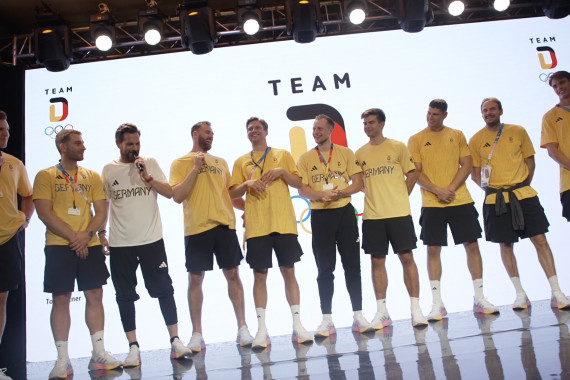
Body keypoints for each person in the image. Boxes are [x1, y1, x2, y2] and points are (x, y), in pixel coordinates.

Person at [99, 123, 192, 367]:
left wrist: (147, 177)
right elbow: (104, 205)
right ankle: (133, 348)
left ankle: (175, 340)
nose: (134, 148)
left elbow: (170, 193)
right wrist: (101, 233)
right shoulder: (109, 169)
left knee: (164, 289)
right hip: (121, 244)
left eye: (137, 143)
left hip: (151, 240)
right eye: (129, 144)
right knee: (125, 295)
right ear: (119, 143)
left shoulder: (148, 162)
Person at [33, 129, 121, 379]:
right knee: (61, 298)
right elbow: (44, 213)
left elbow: (102, 211)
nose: (83, 147)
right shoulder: (45, 175)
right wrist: (75, 237)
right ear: (62, 146)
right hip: (60, 244)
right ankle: (62, 360)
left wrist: (86, 236)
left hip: (89, 244)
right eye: (78, 143)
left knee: (95, 294)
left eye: (83, 143)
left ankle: (99, 353)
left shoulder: (91, 176)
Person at [469, 97, 570, 310]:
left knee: (540, 239)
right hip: (495, 199)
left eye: (493, 109)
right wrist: (493, 189)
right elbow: (475, 174)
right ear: (482, 114)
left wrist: (521, 184)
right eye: (485, 110)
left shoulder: (518, 131)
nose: (489, 113)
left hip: (523, 194)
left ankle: (556, 291)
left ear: (501, 111)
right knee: (505, 244)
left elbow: (530, 162)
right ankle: (520, 294)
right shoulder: (476, 139)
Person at [407, 99, 498, 321]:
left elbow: (466, 164)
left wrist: (450, 189)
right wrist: (438, 190)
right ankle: (437, 304)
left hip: (460, 199)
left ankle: (479, 297)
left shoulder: (456, 135)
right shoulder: (416, 139)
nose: (430, 118)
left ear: (444, 115)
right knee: (433, 250)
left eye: (436, 114)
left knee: (472, 245)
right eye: (428, 113)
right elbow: (416, 172)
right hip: (432, 203)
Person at [229, 116, 312, 349]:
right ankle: (262, 330)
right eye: (250, 129)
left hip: (284, 223)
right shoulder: (241, 161)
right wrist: (246, 185)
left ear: (266, 131)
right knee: (259, 275)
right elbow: (232, 193)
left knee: (289, 271)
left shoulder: (283, 155)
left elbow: (298, 182)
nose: (253, 131)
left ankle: (298, 326)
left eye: (257, 128)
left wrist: (281, 173)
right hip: (257, 226)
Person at [170, 121, 253, 353]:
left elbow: (228, 194)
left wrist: (247, 207)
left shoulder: (220, 162)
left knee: (233, 274)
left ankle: (243, 327)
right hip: (197, 228)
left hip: (225, 225)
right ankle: (197, 334)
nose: (211, 136)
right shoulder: (180, 163)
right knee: (195, 279)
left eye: (213, 133)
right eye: (207, 133)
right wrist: (195, 168)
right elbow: (177, 196)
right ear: (195, 134)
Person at [296, 114, 373, 337]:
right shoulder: (305, 158)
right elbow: (302, 190)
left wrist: (339, 192)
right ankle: (327, 320)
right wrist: (321, 195)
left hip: (345, 215)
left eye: (320, 128)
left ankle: (358, 315)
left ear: (330, 130)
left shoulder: (346, 153)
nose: (316, 132)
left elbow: (358, 183)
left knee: (352, 266)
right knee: (324, 269)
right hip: (321, 217)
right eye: (314, 128)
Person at [355, 108, 428, 327]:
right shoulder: (359, 154)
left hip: (399, 213)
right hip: (373, 216)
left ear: (382, 124)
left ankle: (416, 310)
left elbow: (413, 172)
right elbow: (358, 183)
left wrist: (401, 193)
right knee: (377, 261)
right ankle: (382, 312)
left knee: (407, 258)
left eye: (372, 123)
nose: (368, 127)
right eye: (365, 123)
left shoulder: (397, 147)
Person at [0, 111, 34, 380]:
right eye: (1, 129)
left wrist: (24, 219)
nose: (5, 133)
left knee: (1, 300)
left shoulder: (14, 163)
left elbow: (28, 195)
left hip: (8, 239)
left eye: (7, 130)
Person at [541, 71, 570, 221]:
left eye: (562, 82)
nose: (559, 87)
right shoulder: (550, 117)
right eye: (555, 86)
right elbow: (552, 150)